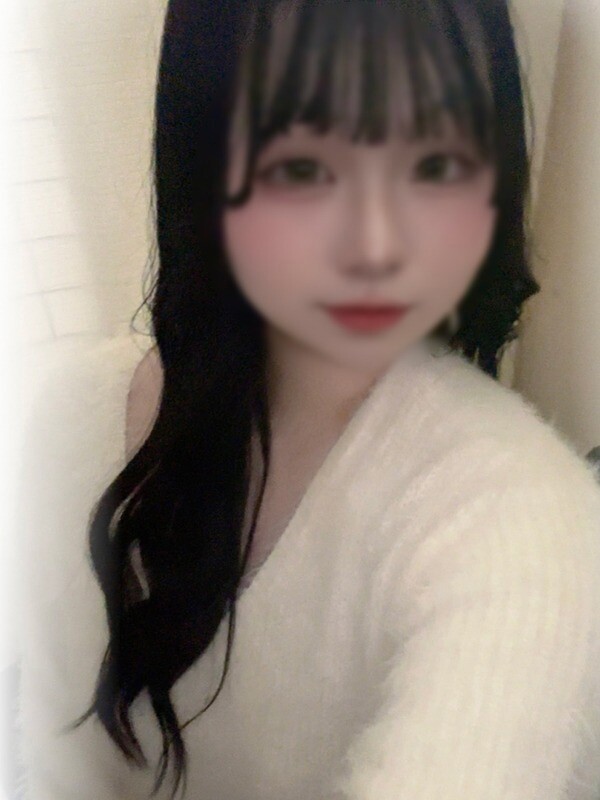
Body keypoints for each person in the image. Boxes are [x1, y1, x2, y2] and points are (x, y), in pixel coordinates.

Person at [16, 1, 600, 799]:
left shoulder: (520, 520)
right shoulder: (65, 422)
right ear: (205, 157)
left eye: (436, 163)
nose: (377, 243)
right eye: (302, 164)